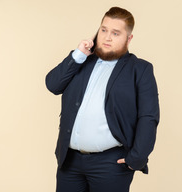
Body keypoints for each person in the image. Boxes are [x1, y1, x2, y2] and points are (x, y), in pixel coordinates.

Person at [45, 7, 160, 192]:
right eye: (103, 30)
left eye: (115, 33)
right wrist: (79, 54)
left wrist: (136, 158)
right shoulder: (81, 61)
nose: (107, 37)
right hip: (70, 161)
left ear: (128, 39)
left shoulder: (139, 69)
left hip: (111, 164)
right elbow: (53, 85)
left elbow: (148, 116)